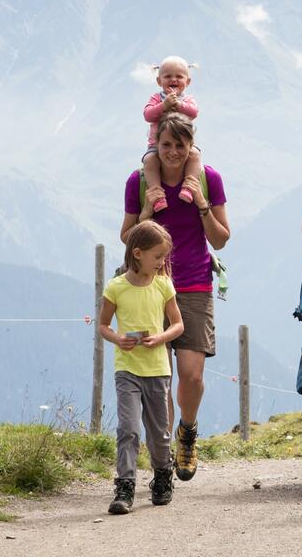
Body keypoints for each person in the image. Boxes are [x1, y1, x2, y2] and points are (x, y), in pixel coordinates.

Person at [121, 112, 229, 482]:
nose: (172, 152)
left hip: (195, 284)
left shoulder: (208, 179)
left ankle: (188, 430)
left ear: (190, 147)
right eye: (166, 145)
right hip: (150, 288)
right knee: (159, 379)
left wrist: (201, 204)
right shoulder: (138, 182)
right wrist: (148, 210)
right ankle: (164, 454)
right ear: (156, 145)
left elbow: (220, 239)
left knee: (191, 376)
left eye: (179, 146)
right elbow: (127, 238)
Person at [96, 220, 185, 515]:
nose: (162, 263)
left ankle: (162, 475)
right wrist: (119, 340)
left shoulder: (163, 285)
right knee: (128, 429)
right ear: (137, 253)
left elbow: (178, 324)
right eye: (158, 256)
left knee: (159, 433)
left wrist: (160, 337)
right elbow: (104, 326)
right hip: (128, 370)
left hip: (158, 369)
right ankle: (125, 485)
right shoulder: (116, 288)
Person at [138, 56, 204, 219]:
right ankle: (157, 195)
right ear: (159, 81)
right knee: (150, 161)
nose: (173, 80)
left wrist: (179, 105)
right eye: (168, 76)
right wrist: (164, 105)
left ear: (187, 82)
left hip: (184, 146)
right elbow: (147, 115)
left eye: (179, 76)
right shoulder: (156, 98)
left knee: (195, 155)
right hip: (156, 145)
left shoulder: (188, 99)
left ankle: (189, 187)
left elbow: (194, 113)